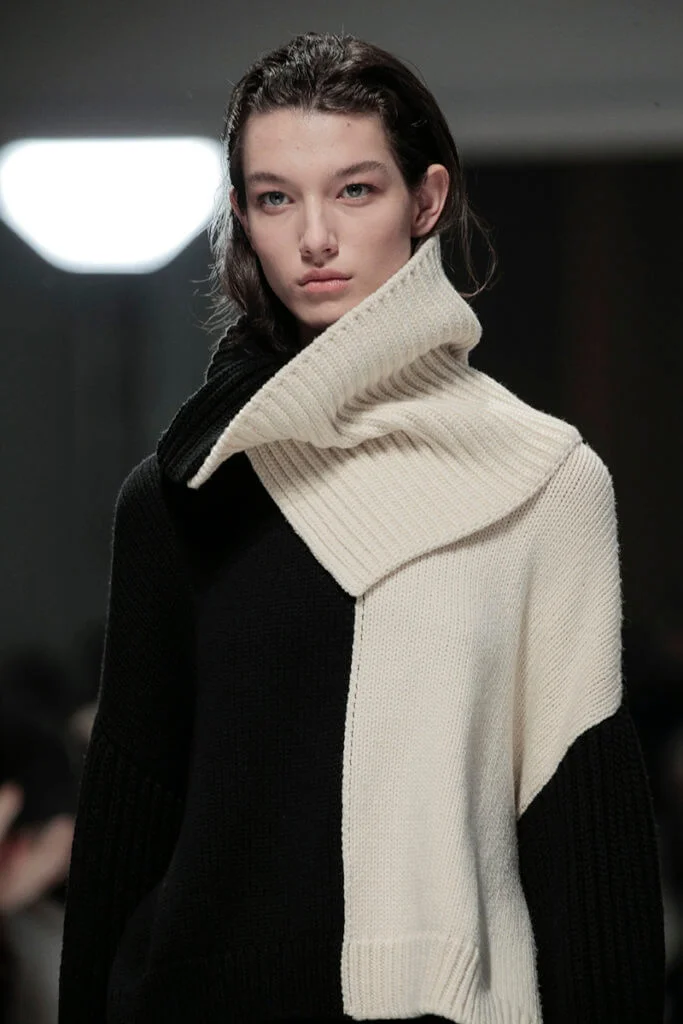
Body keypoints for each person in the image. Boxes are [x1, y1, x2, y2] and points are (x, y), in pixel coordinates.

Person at [57, 31, 665, 1024]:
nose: (314, 239)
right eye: (274, 198)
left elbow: (583, 831)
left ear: (425, 201)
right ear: (242, 217)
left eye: (353, 190)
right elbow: (128, 821)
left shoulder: (541, 482)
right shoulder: (182, 492)